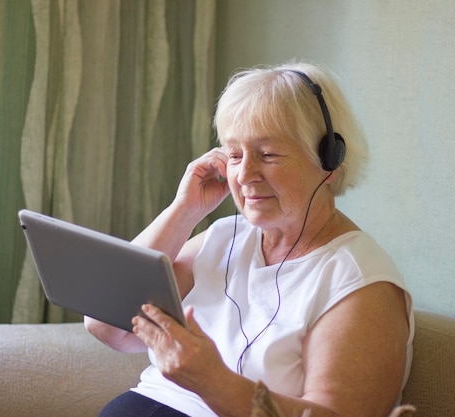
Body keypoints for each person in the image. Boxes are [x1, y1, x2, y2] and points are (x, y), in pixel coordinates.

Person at [85, 61, 414, 417]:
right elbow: (108, 327)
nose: (244, 175)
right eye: (234, 154)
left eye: (268, 154)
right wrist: (185, 209)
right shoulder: (224, 236)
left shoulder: (358, 281)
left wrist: (211, 380)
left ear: (329, 160)